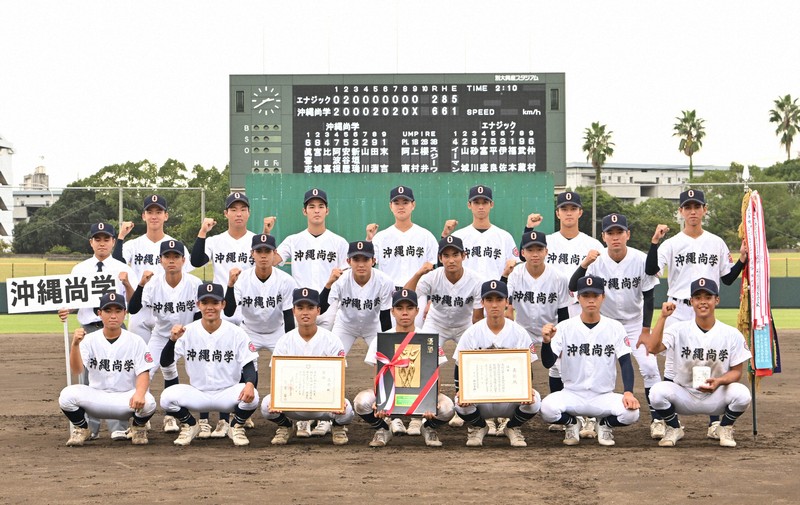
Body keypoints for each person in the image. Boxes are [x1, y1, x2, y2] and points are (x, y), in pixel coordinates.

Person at [645, 188, 747, 436]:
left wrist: (742, 260)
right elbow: (651, 269)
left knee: (710, 359)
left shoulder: (716, 242)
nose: (692, 211)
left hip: (705, 305)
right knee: (671, 365)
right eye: (687, 207)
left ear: (704, 210)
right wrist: (655, 242)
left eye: (697, 206)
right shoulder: (672, 243)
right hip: (679, 307)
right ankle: (666, 421)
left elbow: (728, 278)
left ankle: (714, 422)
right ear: (680, 211)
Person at [568, 213, 664, 438]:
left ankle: (659, 419)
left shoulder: (640, 259)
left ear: (628, 234)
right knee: (593, 369)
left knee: (650, 368)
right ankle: (590, 419)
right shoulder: (596, 261)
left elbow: (649, 297)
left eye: (619, 232)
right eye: (610, 233)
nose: (615, 237)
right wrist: (585, 264)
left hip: (635, 323)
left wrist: (645, 330)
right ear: (603, 237)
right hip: (606, 325)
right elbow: (573, 286)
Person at [525, 190, 604, 438]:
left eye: (573, 208)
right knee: (557, 364)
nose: (568, 212)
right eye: (564, 208)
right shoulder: (548, 241)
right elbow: (526, 253)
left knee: (584, 360)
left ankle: (589, 417)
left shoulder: (593, 244)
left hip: (584, 307)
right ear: (557, 213)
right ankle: (565, 416)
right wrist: (527, 229)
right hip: (557, 307)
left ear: (580, 212)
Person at [641, 278, 752, 447]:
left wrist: (719, 381)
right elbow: (653, 348)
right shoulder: (678, 330)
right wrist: (663, 317)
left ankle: (724, 427)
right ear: (691, 301)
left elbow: (737, 372)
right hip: (684, 395)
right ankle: (674, 428)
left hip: (716, 396)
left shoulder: (731, 334)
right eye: (698, 297)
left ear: (717, 300)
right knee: (656, 392)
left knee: (743, 394)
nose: (703, 302)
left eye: (708, 297)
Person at [539, 275, 641, 446]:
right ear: (578, 298)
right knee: (546, 409)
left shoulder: (615, 327)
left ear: (603, 297)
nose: (591, 300)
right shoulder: (565, 327)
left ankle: (604, 425)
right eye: (586, 296)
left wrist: (628, 392)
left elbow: (625, 362)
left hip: (603, 395)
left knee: (632, 413)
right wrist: (546, 342)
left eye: (595, 295)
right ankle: (572, 424)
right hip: (572, 394)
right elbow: (548, 363)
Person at [58, 222, 137, 440]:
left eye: (106, 239)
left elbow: (134, 303)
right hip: (89, 328)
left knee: (119, 376)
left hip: (116, 328)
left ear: (113, 241)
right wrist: (66, 310)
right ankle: (88, 428)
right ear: (91, 242)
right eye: (97, 239)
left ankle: (118, 426)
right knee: (87, 379)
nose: (102, 243)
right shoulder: (80, 269)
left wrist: (128, 285)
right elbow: (73, 300)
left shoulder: (123, 269)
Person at [159, 283, 260, 447]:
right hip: (198, 394)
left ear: (223, 304)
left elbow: (248, 363)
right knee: (166, 398)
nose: (210, 307)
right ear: (198, 305)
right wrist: (172, 341)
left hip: (228, 394)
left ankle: (235, 426)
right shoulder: (187, 331)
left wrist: (249, 384)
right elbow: (166, 362)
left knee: (253, 396)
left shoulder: (236, 332)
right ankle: (191, 425)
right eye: (205, 303)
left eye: (215, 302)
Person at [353, 289, 454, 447]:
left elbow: (436, 377)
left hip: (420, 396)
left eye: (410, 308)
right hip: (392, 396)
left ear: (417, 311)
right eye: (400, 308)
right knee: (361, 402)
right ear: (392, 311)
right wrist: (380, 402)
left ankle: (428, 428)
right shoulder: (382, 339)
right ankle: (383, 429)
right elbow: (378, 375)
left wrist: (430, 403)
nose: (405, 313)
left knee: (447, 408)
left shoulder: (428, 339)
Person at [58, 292, 156, 446]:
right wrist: (75, 345)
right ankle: (82, 428)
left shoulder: (136, 341)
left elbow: (144, 371)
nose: (113, 316)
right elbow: (77, 370)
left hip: (126, 400)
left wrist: (139, 394)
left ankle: (138, 427)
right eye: (108, 311)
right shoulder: (89, 340)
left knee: (149, 401)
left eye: (118, 311)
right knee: (66, 396)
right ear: (99, 314)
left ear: (125, 313)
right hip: (96, 398)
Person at [452, 280, 541, 448]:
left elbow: (527, 367)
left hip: (510, 398)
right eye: (489, 300)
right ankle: (479, 426)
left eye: (499, 300)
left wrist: (526, 389)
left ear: (506, 302)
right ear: (482, 302)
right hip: (481, 399)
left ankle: (512, 427)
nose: (494, 305)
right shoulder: (472, 333)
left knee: (535, 401)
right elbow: (459, 367)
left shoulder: (519, 332)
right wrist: (461, 392)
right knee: (458, 403)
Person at [262, 288, 353, 446]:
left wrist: (336, 401)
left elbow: (337, 378)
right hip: (293, 403)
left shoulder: (332, 340)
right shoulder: (284, 341)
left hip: (323, 403)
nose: (305, 312)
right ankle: (285, 426)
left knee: (348, 409)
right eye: (300, 308)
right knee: (265, 405)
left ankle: (337, 427)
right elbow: (279, 378)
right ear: (294, 311)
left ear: (318, 310)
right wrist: (277, 400)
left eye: (310, 308)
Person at [128, 239, 201, 435]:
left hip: (188, 335)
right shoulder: (152, 285)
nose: (171, 260)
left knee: (199, 373)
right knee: (147, 370)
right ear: (160, 260)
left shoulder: (194, 283)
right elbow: (133, 308)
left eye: (175, 256)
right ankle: (140, 416)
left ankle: (177, 416)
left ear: (183, 260)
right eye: (167, 256)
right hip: (160, 336)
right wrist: (141, 284)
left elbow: (200, 314)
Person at [114, 194, 191, 342]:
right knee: (139, 358)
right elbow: (118, 264)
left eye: (158, 212)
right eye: (150, 212)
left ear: (166, 216)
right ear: (144, 216)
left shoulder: (176, 246)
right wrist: (121, 236)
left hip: (165, 307)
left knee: (168, 357)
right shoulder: (133, 245)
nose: (154, 216)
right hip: (140, 308)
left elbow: (184, 278)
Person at [366, 185, 438, 327]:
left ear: (413, 205)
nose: (401, 207)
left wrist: (432, 301)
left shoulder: (426, 236)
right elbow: (368, 266)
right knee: (390, 341)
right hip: (390, 295)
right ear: (390, 206)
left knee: (417, 340)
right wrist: (368, 240)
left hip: (419, 294)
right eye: (396, 203)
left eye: (405, 202)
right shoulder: (381, 237)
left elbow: (436, 272)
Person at [224, 233, 297, 353]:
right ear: (252, 253)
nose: (263, 256)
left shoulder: (286, 280)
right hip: (249, 331)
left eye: (267, 251)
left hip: (277, 331)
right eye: (259, 251)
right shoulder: (241, 279)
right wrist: (230, 286)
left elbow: (288, 315)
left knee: (285, 366)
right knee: (245, 368)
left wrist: (288, 342)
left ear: (274, 252)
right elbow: (228, 312)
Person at [322, 240, 394, 354]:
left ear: (373, 261)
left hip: (373, 326)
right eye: (356, 259)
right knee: (333, 356)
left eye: (365, 259)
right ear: (348, 261)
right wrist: (328, 284)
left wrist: (387, 345)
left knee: (386, 357)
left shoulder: (385, 281)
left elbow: (385, 317)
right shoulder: (340, 280)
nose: (361, 264)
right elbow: (321, 309)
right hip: (345, 326)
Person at [441, 184, 518, 281]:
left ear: (491, 204)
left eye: (485, 202)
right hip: (466, 292)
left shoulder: (505, 237)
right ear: (469, 205)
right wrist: (444, 236)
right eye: (476, 202)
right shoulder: (458, 236)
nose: (481, 207)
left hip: (495, 294)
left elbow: (515, 267)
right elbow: (443, 265)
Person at [190, 191, 256, 294]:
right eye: (233, 210)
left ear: (249, 213)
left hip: (249, 302)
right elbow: (196, 262)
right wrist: (202, 232)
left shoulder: (256, 241)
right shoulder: (214, 241)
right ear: (226, 213)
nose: (239, 214)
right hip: (221, 303)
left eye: (243, 210)